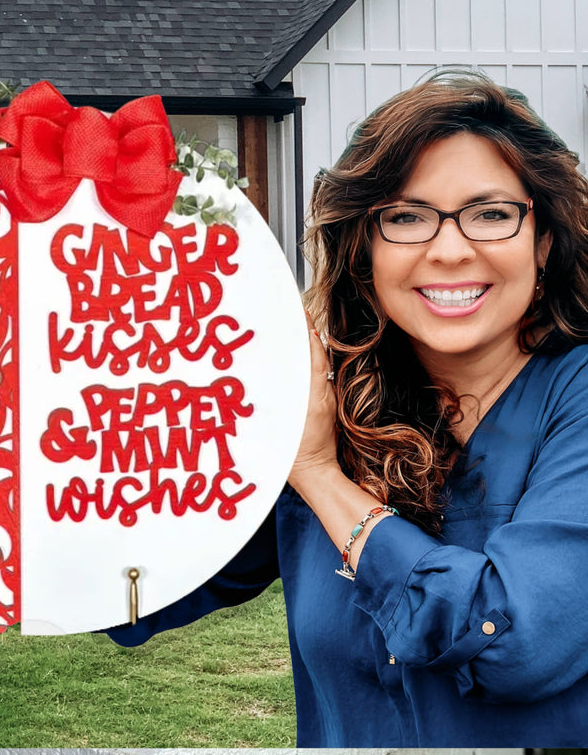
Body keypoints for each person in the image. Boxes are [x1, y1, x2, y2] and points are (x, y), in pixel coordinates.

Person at [107, 70, 588, 746]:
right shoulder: (330, 397)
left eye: (491, 213)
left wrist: (319, 474)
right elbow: (141, 583)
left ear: (542, 241)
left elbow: (513, 644)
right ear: (364, 249)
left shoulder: (575, 400)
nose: (450, 250)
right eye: (406, 217)